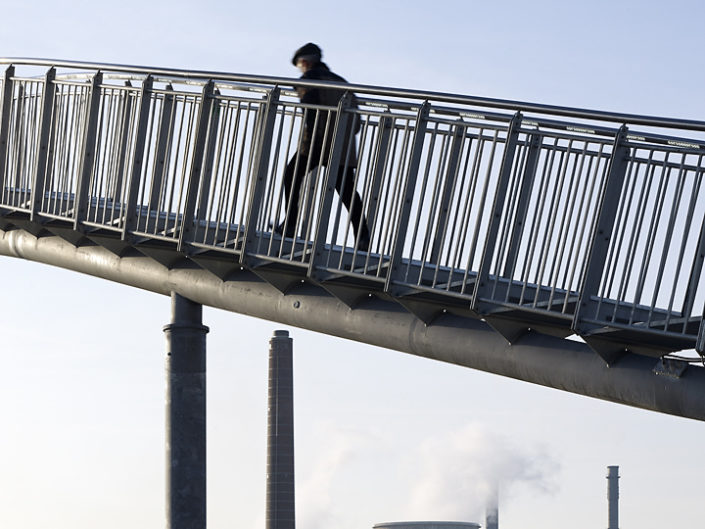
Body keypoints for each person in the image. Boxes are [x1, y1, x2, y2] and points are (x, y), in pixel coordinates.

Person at [276, 43, 370, 250]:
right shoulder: (341, 82)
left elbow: (310, 111)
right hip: (342, 144)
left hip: (316, 140)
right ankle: (363, 236)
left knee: (292, 175)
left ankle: (290, 224)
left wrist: (313, 138)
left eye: (300, 65)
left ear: (305, 62)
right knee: (346, 189)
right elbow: (356, 122)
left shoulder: (308, 79)